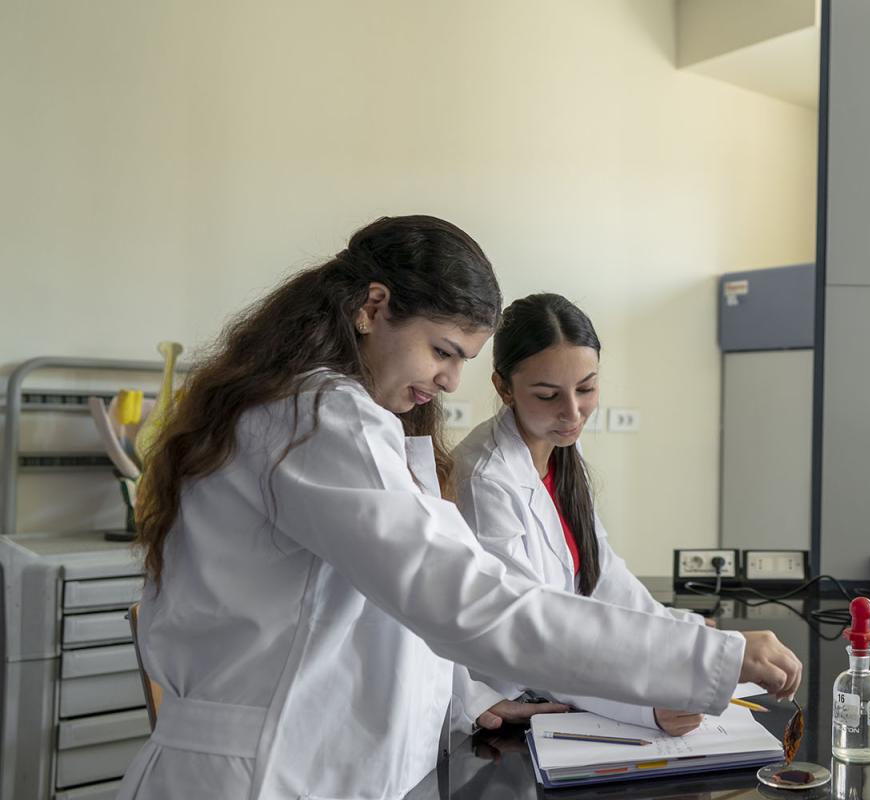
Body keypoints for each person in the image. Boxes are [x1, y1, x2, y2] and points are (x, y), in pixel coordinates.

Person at [118, 216, 801, 800]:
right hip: (267, 771)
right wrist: (712, 653)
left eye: (464, 359)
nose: (449, 380)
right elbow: (467, 604)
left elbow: (402, 605)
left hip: (327, 761)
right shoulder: (318, 419)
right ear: (372, 306)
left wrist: (467, 695)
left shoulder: (341, 420)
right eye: (442, 351)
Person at [452, 294, 705, 736]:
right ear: (503, 387)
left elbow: (603, 575)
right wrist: (642, 708)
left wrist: (687, 642)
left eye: (586, 388)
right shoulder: (484, 478)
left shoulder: (560, 449)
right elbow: (532, 634)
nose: (572, 413)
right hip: (508, 701)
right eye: (548, 395)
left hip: (558, 686)